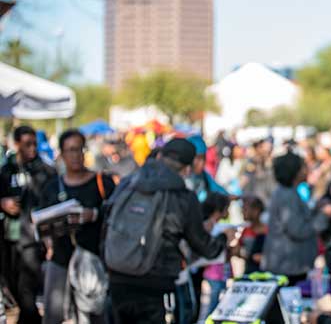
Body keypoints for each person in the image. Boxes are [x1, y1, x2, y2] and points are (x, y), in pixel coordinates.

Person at [107, 138, 235, 324]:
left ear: (159, 156)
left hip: (118, 278)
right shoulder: (183, 197)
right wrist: (224, 238)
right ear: (187, 169)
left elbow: (106, 220)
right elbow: (203, 246)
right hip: (155, 284)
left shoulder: (128, 183)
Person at [40, 129, 116, 324]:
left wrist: (93, 215)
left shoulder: (102, 182)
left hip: (94, 261)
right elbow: (41, 222)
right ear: (62, 154)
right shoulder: (51, 187)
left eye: (79, 149)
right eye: (70, 150)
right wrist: (47, 239)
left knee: (94, 314)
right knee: (53, 314)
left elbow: (115, 215)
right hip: (60, 259)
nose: (75, 155)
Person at [0, 125, 57, 324]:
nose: (32, 148)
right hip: (8, 238)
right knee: (12, 289)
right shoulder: (6, 170)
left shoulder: (45, 171)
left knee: (27, 292)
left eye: (34, 144)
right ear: (16, 145)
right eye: (27, 144)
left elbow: (52, 203)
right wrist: (3, 203)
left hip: (32, 240)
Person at [262, 152, 331, 285]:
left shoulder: (288, 192)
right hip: (288, 267)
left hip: (291, 265)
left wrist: (315, 210)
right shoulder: (286, 196)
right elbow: (298, 230)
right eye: (304, 167)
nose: (307, 171)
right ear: (294, 171)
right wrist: (323, 215)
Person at [200, 192, 232, 318]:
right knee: (214, 304)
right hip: (213, 271)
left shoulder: (215, 225)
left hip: (219, 271)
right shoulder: (210, 226)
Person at [186, 135, 228, 202]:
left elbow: (218, 190)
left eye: (204, 158)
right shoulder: (180, 178)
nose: (202, 163)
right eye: (198, 158)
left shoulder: (204, 176)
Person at [239, 196, 266, 274]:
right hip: (249, 272)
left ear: (256, 211)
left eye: (245, 209)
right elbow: (238, 251)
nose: (242, 212)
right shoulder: (245, 230)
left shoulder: (268, 231)